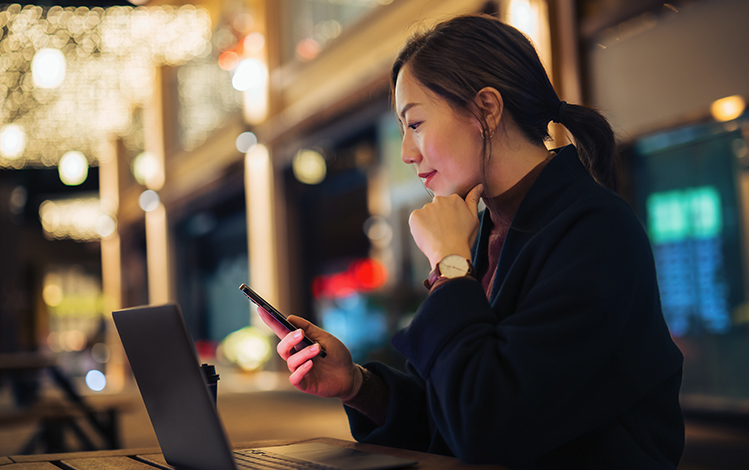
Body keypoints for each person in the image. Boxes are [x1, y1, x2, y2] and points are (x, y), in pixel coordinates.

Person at [258, 14, 684, 469]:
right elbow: (450, 413)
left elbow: (488, 426)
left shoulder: (593, 228)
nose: (406, 152)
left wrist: (450, 264)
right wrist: (357, 383)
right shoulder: (497, 228)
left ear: (486, 109)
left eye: (415, 123)